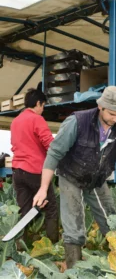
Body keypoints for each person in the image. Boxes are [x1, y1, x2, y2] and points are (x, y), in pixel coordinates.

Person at [33, 86, 116, 268]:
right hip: (70, 175)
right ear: (100, 106)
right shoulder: (78, 121)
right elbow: (54, 153)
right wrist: (42, 189)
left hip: (96, 178)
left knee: (110, 219)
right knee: (74, 222)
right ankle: (74, 267)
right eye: (112, 114)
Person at [10, 88, 59, 245]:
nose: (42, 110)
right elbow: (48, 143)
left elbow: (15, 145)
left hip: (18, 171)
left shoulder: (15, 121)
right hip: (35, 171)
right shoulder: (36, 119)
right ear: (38, 103)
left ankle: (20, 248)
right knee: (50, 208)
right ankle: (53, 246)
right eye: (43, 105)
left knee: (24, 211)